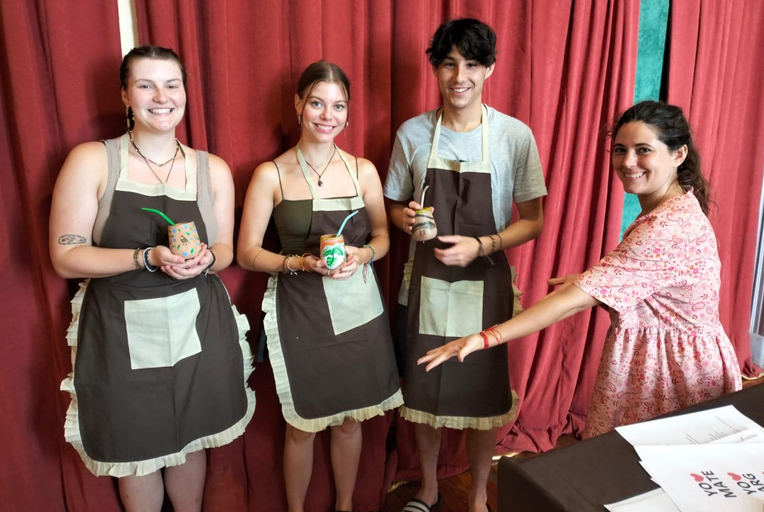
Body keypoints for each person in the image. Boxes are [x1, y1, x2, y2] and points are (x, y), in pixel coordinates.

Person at [419, 100, 743, 440]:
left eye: (643, 150)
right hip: (676, 361)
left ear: (678, 155)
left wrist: (485, 337)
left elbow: (571, 303)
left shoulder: (665, 226)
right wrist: (596, 281)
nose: (628, 162)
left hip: (672, 373)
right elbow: (656, 284)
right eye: (620, 149)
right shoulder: (676, 205)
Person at [49, 45, 255, 511]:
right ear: (125, 95)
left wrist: (206, 260)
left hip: (196, 324)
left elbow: (223, 250)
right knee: (137, 452)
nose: (161, 96)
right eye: (145, 85)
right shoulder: (94, 160)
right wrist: (146, 257)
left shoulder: (212, 169)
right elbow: (65, 256)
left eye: (172, 84)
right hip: (120, 332)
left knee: (191, 437)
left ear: (185, 92)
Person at [384, 18, 546, 512]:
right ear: (434, 67)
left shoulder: (514, 136)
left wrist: (483, 246)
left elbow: (534, 220)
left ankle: (477, 495)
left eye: (472, 64)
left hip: (487, 283)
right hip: (428, 287)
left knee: (483, 393)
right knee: (426, 390)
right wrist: (406, 220)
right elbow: (391, 204)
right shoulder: (412, 133)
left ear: (489, 69)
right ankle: (430, 488)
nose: (460, 76)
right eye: (449, 63)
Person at [237, 60, 401, 512]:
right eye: (316, 103)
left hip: (357, 306)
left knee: (349, 422)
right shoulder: (270, 174)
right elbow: (247, 253)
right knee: (302, 425)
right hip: (300, 309)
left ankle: (344, 506)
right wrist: (301, 262)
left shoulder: (363, 170)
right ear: (298, 105)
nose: (327, 115)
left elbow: (384, 238)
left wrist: (362, 254)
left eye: (338, 105)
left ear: (349, 114)